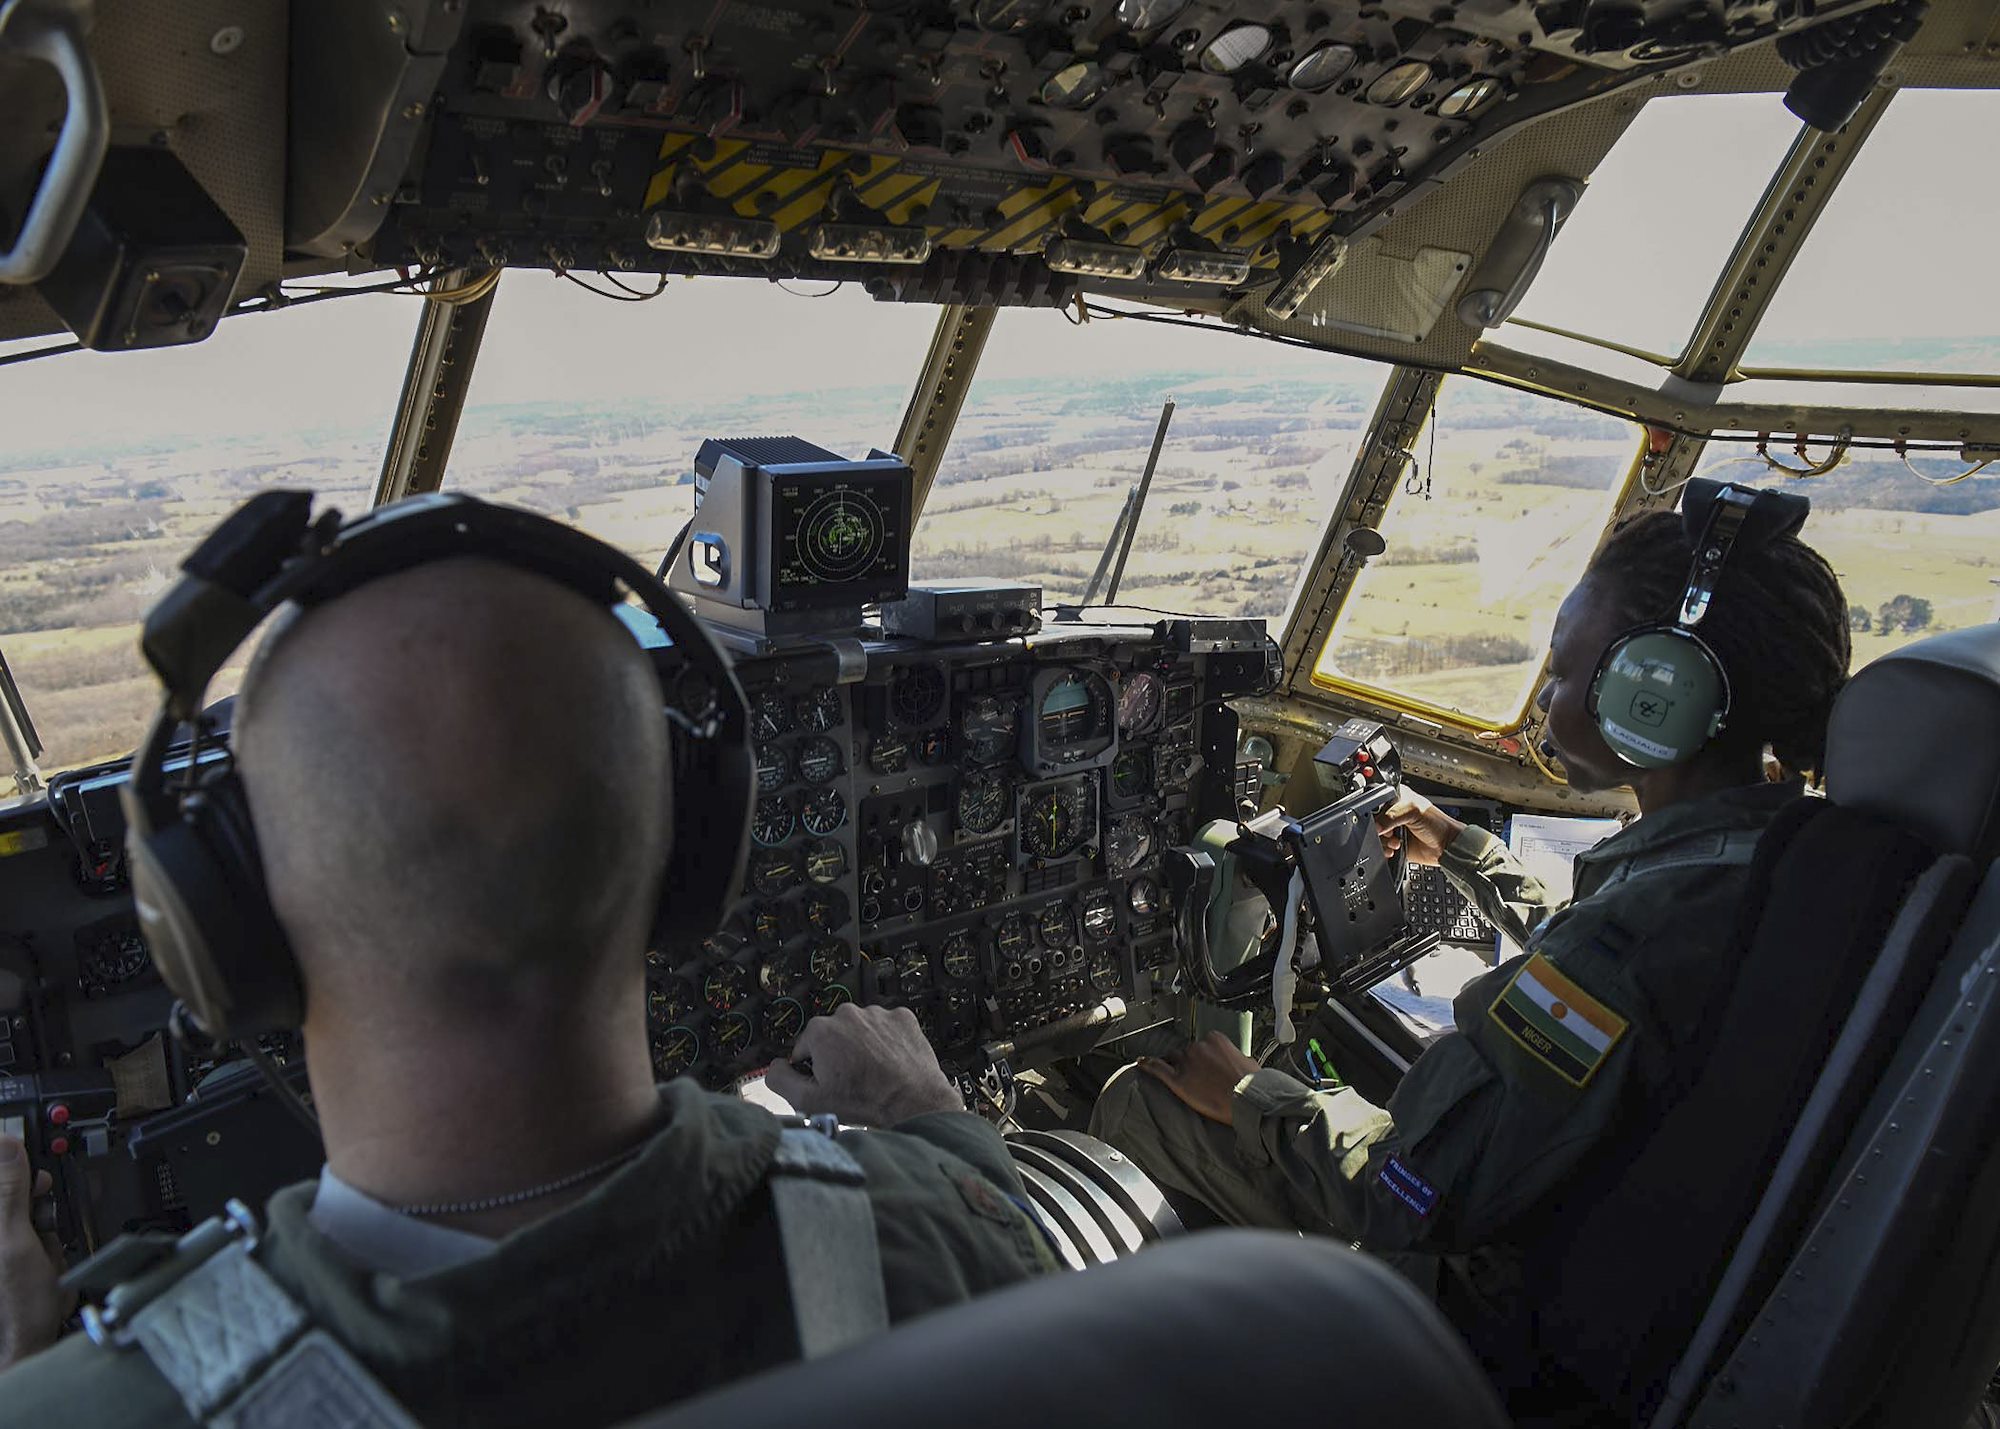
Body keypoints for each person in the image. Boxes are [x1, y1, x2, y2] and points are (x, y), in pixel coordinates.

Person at [0, 553, 1053, 1424]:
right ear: (690, 864)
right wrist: (934, 1124)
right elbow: (1025, 1274)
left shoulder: (84, 1406)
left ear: (221, 936)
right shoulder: (939, 1244)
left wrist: (29, 1361)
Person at [1088, 491, 1853, 1420]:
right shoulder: (1775, 859)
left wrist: (1249, 1093)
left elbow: (1409, 1191)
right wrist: (1466, 848)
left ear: (1660, 698)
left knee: (1144, 1097)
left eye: (1567, 675)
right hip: (1648, 1298)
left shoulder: (1633, 940)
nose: (1545, 700)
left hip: (1485, 1342)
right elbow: (1605, 957)